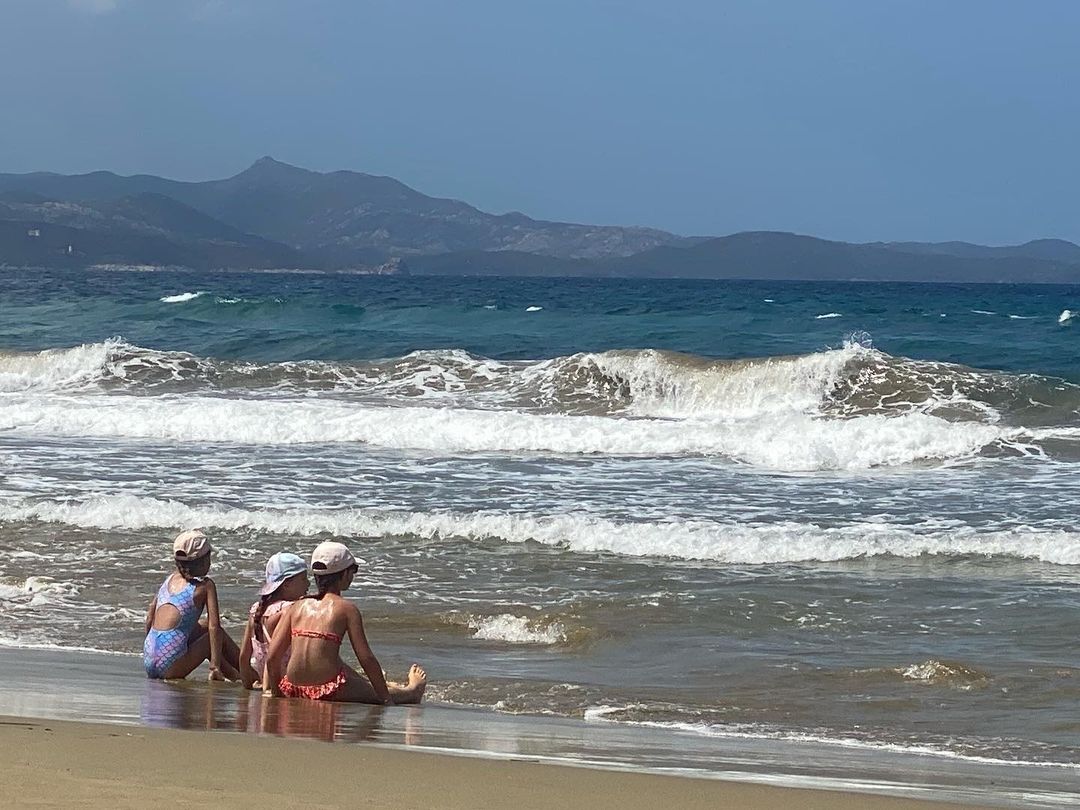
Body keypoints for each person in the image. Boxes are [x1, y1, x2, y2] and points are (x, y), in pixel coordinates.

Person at [264, 541, 427, 704]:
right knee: (377, 692)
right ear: (344, 574)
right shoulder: (347, 609)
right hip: (329, 689)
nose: (353, 575)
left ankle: (383, 685)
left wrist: (277, 693)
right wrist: (385, 699)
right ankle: (412, 691)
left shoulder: (296, 607)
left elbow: (272, 657)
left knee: (349, 672)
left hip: (294, 688)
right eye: (353, 570)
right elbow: (366, 658)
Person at [142, 529, 241, 681]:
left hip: (150, 660)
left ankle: (240, 673)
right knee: (212, 638)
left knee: (203, 625)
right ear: (204, 561)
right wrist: (215, 665)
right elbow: (215, 627)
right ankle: (242, 673)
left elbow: (150, 618)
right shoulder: (205, 586)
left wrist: (151, 653)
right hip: (170, 667)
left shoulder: (170, 580)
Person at [239, 552, 309, 689]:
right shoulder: (290, 609)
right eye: (303, 579)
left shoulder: (256, 610)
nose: (308, 583)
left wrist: (248, 687)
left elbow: (243, 657)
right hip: (287, 684)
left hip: (269, 682)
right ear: (286, 584)